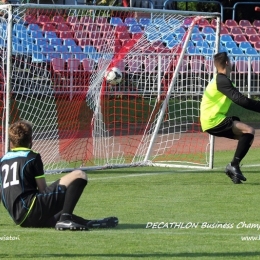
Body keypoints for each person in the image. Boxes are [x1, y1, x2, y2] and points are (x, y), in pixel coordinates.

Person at [0, 120, 118, 230]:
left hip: (20, 219)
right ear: (31, 139)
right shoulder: (32, 157)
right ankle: (65, 219)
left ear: (11, 142)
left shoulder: (3, 160)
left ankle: (89, 222)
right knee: (79, 174)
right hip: (32, 209)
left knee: (55, 214)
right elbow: (43, 190)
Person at [200, 52, 260, 184]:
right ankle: (233, 165)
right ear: (227, 63)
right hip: (213, 120)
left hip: (212, 119)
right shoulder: (221, 80)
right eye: (230, 60)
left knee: (246, 137)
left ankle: (233, 168)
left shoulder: (220, 79)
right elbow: (240, 100)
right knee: (249, 131)